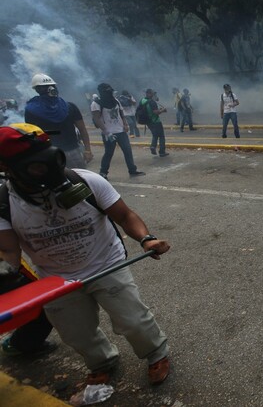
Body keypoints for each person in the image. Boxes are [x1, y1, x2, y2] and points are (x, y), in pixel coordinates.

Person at [0, 123, 171, 385]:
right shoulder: (4, 202)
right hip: (56, 281)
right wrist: (6, 272)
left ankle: (156, 353)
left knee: (134, 321)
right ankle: (101, 362)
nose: (47, 169)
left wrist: (146, 239)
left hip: (106, 264)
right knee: (76, 332)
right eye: (35, 165)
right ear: (6, 167)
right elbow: (10, 249)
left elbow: (125, 215)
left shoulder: (86, 180)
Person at [25, 73, 93, 169]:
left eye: (52, 86)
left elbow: (82, 129)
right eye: (45, 87)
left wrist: (87, 150)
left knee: (80, 179)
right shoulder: (31, 110)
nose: (50, 88)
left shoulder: (70, 107)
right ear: (37, 90)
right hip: (50, 153)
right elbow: (32, 134)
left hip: (74, 151)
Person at [91, 83, 145, 179]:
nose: (109, 93)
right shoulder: (96, 104)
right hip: (108, 133)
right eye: (107, 92)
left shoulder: (115, 101)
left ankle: (132, 170)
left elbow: (121, 113)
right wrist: (106, 132)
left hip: (121, 131)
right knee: (109, 153)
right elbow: (96, 119)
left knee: (128, 151)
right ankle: (103, 172)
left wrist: (125, 124)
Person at [140, 88, 169, 157]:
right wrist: (163, 110)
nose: (153, 95)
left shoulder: (143, 100)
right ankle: (162, 152)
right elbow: (156, 112)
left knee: (155, 135)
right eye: (152, 93)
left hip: (148, 121)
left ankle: (153, 146)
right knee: (161, 136)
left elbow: (156, 100)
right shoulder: (152, 102)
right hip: (155, 121)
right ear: (149, 94)